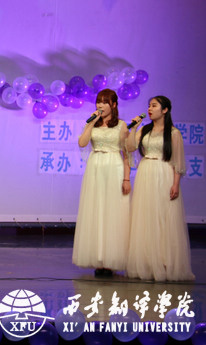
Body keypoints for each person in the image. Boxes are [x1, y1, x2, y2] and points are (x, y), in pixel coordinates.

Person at [126, 96, 195, 281]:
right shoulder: (144, 130)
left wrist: (176, 184)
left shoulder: (173, 133)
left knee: (163, 216)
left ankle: (164, 261)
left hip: (163, 173)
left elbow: (178, 161)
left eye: (154, 106)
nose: (150, 109)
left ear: (164, 110)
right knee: (145, 216)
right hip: (145, 172)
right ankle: (147, 261)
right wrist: (134, 128)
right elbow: (130, 147)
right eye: (149, 106)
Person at [71, 89, 131, 277]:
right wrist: (90, 123)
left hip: (114, 166)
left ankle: (112, 259)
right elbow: (82, 143)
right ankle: (98, 258)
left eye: (105, 102)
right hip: (95, 166)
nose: (100, 105)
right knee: (96, 210)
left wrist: (126, 178)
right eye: (98, 101)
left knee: (112, 212)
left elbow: (127, 155)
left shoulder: (121, 125)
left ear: (114, 105)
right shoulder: (93, 124)